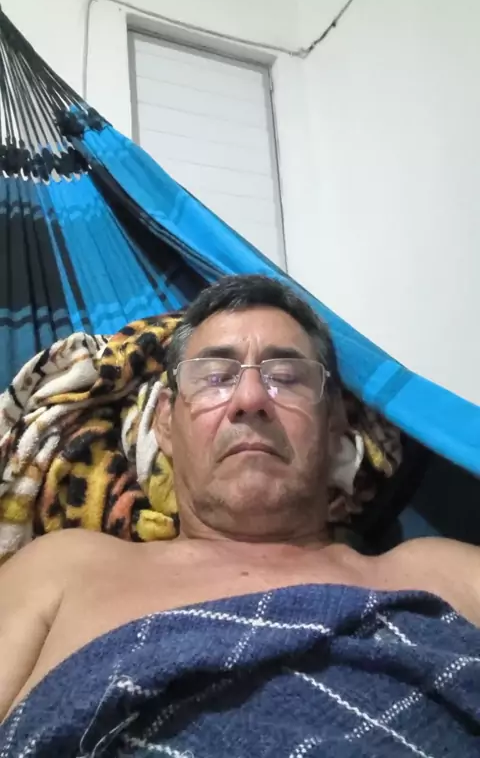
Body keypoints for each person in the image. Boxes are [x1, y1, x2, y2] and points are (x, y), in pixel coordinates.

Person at [1, 275, 479, 757]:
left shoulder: (444, 575)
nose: (250, 400)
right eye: (215, 377)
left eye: (286, 377)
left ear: (335, 420)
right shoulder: (64, 570)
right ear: (164, 420)